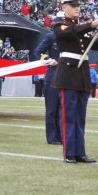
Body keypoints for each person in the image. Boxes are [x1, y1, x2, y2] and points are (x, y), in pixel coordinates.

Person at [53, 0, 98, 163]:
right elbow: (69, 33)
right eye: (73, 5)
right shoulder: (60, 24)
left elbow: (93, 46)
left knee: (80, 117)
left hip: (82, 74)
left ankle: (80, 152)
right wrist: (93, 23)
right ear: (64, 7)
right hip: (68, 73)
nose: (77, 8)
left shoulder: (79, 27)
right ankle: (69, 152)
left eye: (78, 5)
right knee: (69, 116)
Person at [32, 14, 61, 144]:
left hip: (66, 77)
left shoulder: (70, 38)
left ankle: (61, 136)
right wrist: (48, 60)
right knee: (51, 109)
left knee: (63, 110)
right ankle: (52, 137)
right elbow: (37, 52)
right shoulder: (50, 36)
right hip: (52, 76)